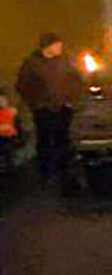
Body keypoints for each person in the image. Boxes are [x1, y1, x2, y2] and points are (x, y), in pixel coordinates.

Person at [15, 32, 82, 184]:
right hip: (43, 109)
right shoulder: (32, 64)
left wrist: (71, 98)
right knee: (45, 139)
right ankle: (46, 172)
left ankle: (63, 170)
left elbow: (74, 79)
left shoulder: (63, 61)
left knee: (63, 139)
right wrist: (37, 103)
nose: (60, 48)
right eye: (57, 45)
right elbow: (22, 86)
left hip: (63, 107)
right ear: (48, 47)